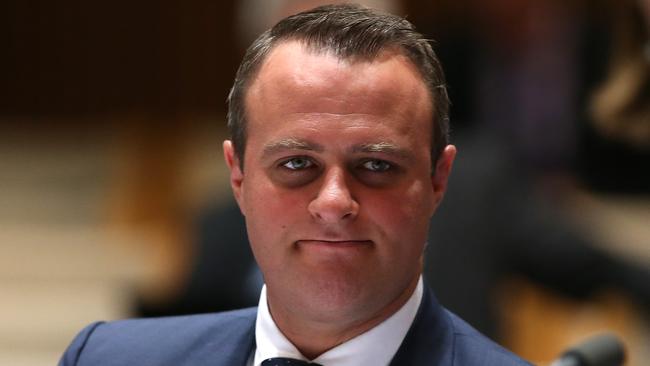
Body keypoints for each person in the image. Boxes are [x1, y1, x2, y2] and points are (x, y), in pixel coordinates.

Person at [59, 4, 530, 365]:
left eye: (377, 166)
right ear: (237, 176)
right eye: (297, 163)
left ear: (436, 181)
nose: (334, 202)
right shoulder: (106, 358)